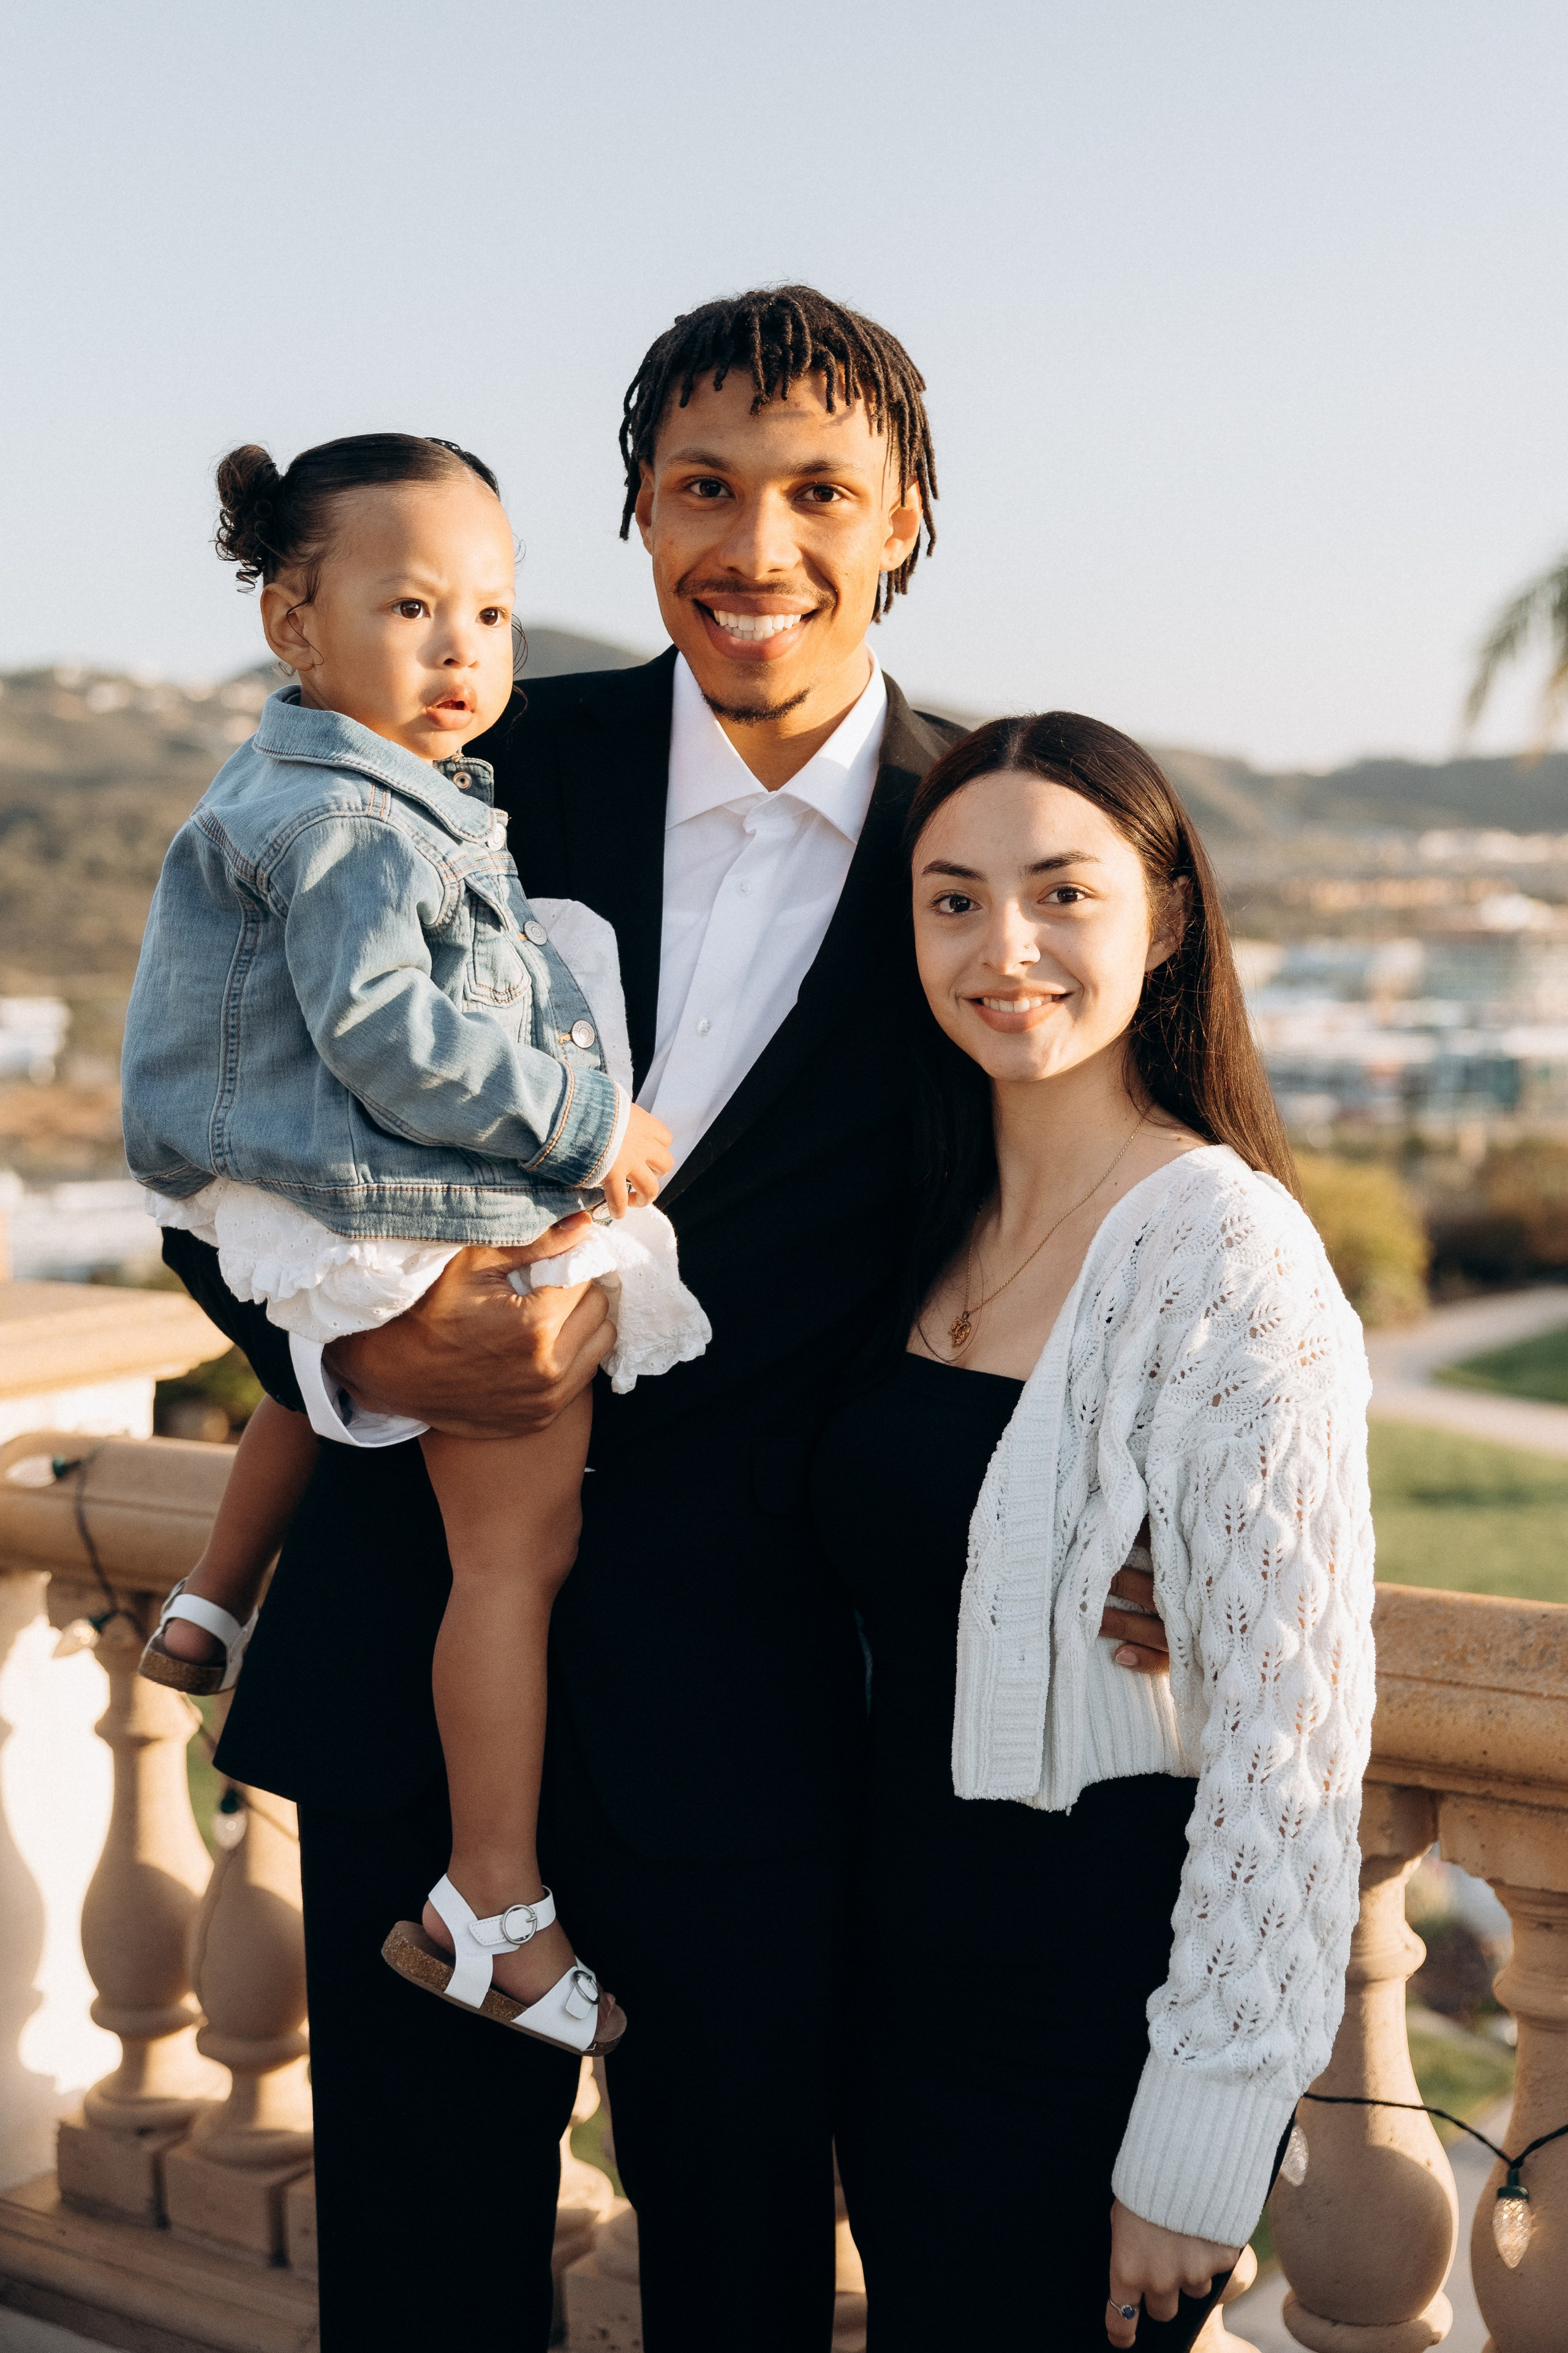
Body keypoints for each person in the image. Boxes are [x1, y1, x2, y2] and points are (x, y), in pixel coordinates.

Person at [157, 289, 1153, 2349]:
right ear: (636, 510)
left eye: (817, 494)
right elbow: (225, 1133)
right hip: (411, 1656)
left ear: (908, 521)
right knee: (418, 2287)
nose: (754, 546)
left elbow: (1103, 1204)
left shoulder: (983, 858)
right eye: (703, 488)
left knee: (744, 2274)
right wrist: (357, 1362)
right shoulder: (449, 752)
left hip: (774, 1714)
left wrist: (1143, 1496)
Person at [123, 429, 710, 2060]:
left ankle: (212, 1598)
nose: (464, 652)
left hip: (315, 1211)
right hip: (408, 1210)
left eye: (495, 615)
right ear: (293, 625)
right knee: (511, 1559)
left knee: (326, 1403)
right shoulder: (360, 822)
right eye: (414, 609)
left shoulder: (324, 789)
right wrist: (591, 1128)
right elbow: (390, 1033)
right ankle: (490, 1899)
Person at [813, 712, 1378, 2348]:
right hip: (897, 1993)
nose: (1007, 948)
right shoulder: (921, 1209)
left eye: (1064, 894)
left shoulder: (1226, 1254)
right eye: (953, 899)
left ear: (1166, 918)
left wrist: (1194, 2150)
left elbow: (1293, 1746)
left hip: (1086, 2025)